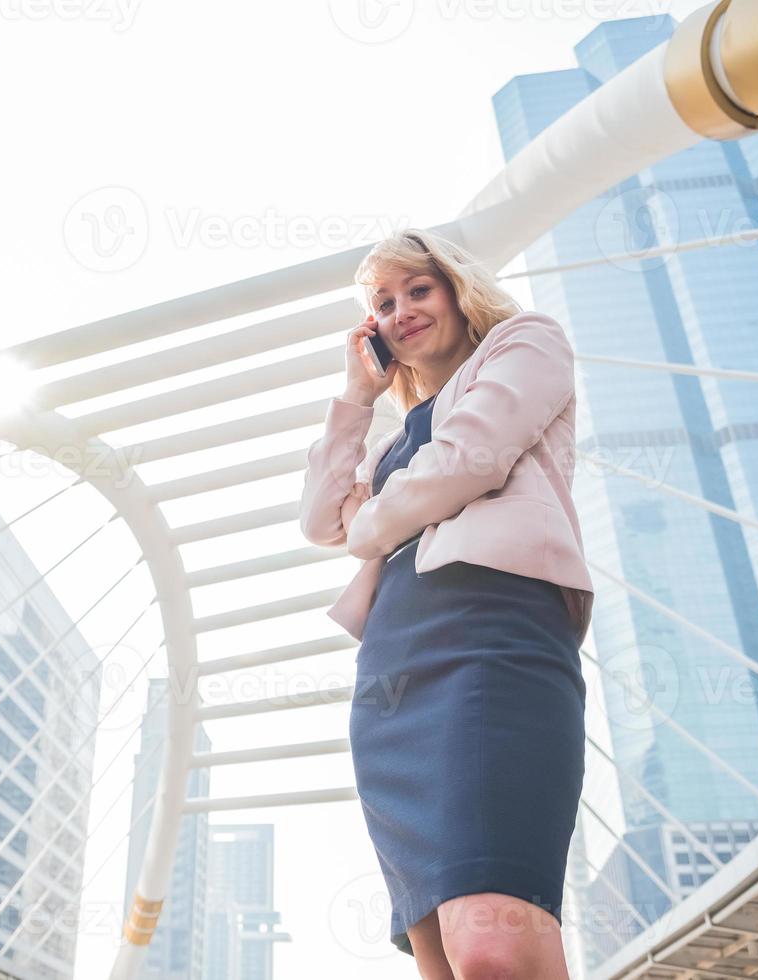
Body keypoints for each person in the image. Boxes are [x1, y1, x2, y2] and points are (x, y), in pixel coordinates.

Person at [298, 228, 594, 978]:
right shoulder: (396, 443)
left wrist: (375, 521)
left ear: (461, 292)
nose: (401, 312)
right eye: (384, 304)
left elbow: (471, 461)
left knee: (492, 943)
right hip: (395, 671)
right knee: (441, 956)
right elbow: (321, 520)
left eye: (418, 291)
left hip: (492, 632)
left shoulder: (528, 343)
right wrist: (358, 396)